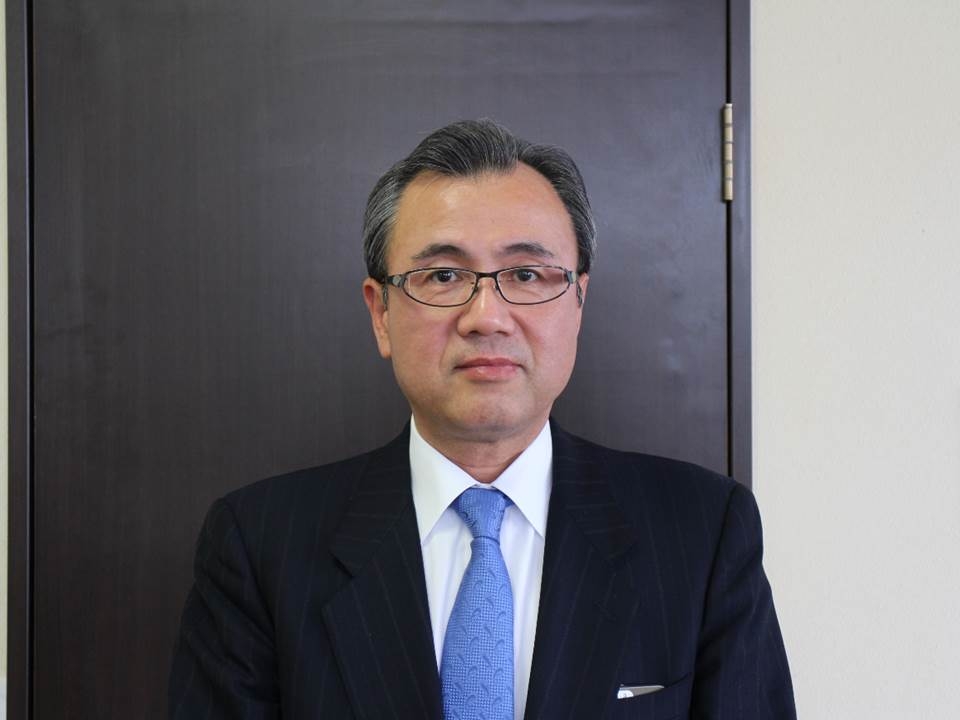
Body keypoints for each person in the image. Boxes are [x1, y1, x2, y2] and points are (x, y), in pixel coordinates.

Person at [169, 119, 796, 719]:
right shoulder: (260, 546)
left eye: (526, 274)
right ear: (381, 314)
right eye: (443, 275)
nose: (486, 317)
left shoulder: (702, 531)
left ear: (578, 301)